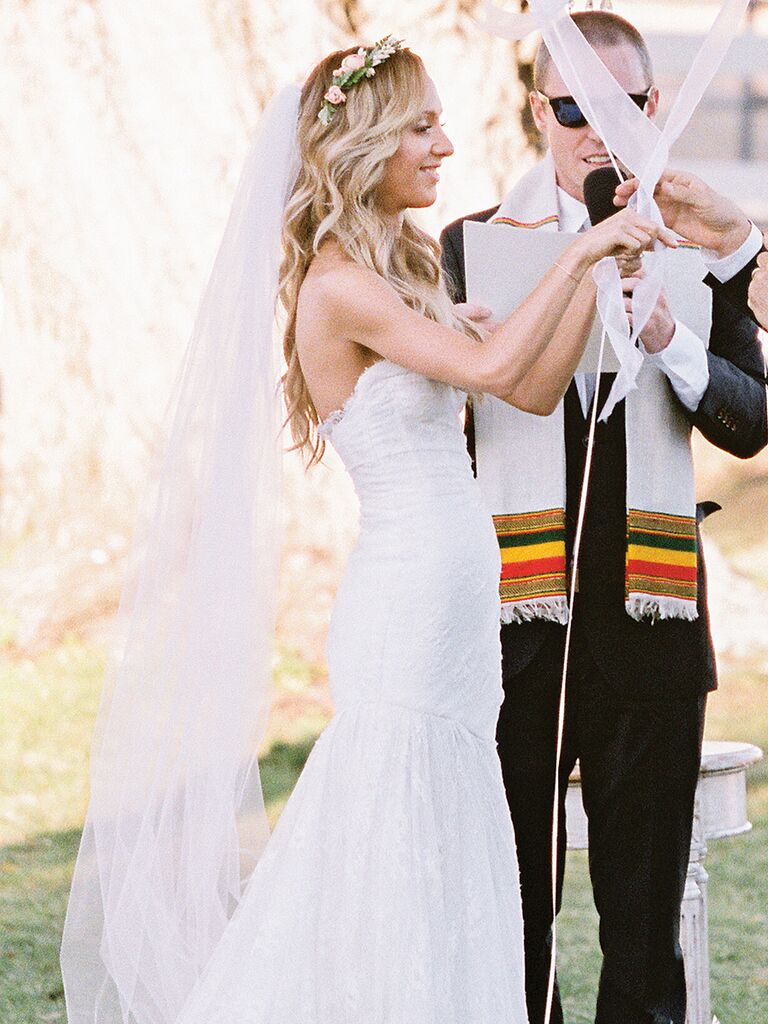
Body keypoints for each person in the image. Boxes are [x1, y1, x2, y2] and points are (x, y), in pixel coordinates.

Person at [60, 37, 666, 1024]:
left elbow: (536, 384)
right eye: (422, 126)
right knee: (391, 836)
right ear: (367, 140)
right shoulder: (339, 286)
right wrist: (583, 250)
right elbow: (490, 374)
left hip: (455, 604)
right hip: (408, 604)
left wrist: (596, 280)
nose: (444, 147)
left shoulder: (405, 266)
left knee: (441, 830)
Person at [440, 11, 768, 1024]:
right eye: (573, 107)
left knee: (642, 941)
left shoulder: (701, 246)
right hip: (514, 637)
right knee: (510, 921)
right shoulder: (473, 245)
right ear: (541, 109)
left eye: (618, 106)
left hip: (653, 637)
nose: (595, 129)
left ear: (652, 106)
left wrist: (673, 342)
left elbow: (752, 421)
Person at [614, 168, 768, 330]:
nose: (597, 141)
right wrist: (730, 238)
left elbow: (741, 353)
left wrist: (671, 339)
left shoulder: (693, 254)